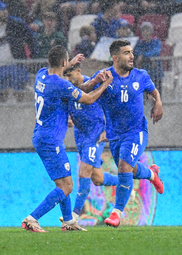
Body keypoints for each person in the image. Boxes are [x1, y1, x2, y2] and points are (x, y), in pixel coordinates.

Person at [21, 45, 113, 232]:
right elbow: (87, 98)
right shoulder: (61, 84)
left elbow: (64, 81)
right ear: (64, 62)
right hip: (50, 140)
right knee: (67, 186)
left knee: (62, 183)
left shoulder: (41, 75)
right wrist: (104, 84)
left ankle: (69, 221)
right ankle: (32, 219)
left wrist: (68, 63)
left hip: (41, 135)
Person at [90, 39, 164, 228]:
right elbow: (84, 94)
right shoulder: (105, 76)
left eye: (131, 52)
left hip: (137, 131)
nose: (131, 56)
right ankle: (151, 174)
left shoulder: (141, 75)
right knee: (129, 169)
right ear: (115, 58)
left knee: (124, 167)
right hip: (115, 135)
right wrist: (96, 82)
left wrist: (158, 102)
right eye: (126, 53)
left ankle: (116, 213)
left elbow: (154, 92)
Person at [63, 63, 119, 223]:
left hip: (95, 134)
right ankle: (125, 183)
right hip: (80, 135)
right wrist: (69, 118)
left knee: (84, 172)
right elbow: (70, 106)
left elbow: (111, 107)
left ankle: (74, 215)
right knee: (98, 179)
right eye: (65, 76)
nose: (67, 78)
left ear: (79, 71)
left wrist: (109, 129)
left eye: (70, 75)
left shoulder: (92, 84)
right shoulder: (69, 88)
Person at [134, 22, 164, 99]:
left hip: (156, 73)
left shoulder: (156, 42)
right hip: (145, 74)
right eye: (143, 30)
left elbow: (156, 52)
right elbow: (136, 51)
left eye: (147, 30)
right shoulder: (140, 43)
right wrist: (143, 56)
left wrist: (144, 56)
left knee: (156, 96)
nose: (145, 33)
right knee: (145, 97)